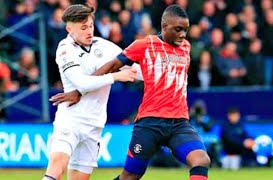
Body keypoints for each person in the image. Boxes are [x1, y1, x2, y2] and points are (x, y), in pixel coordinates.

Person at [52, 4, 211, 180]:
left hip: (179, 122)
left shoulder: (186, 47)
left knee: (201, 160)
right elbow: (112, 65)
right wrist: (80, 91)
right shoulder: (144, 45)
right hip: (150, 123)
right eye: (178, 29)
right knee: (130, 176)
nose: (183, 34)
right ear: (165, 27)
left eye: (186, 30)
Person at [42, 4, 138, 180]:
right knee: (56, 168)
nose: (89, 31)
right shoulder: (65, 49)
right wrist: (115, 76)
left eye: (91, 26)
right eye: (83, 27)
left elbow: (136, 70)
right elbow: (82, 83)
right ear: (69, 29)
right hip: (71, 118)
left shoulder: (105, 46)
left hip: (94, 124)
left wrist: (162, 69)